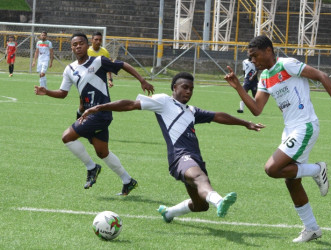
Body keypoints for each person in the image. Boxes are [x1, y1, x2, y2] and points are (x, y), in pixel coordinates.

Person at [79, 72, 265, 221]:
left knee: (200, 206)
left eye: (191, 89)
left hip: (194, 158)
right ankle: (219, 201)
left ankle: (168, 213)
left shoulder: (192, 111)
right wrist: (99, 107)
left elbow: (218, 116)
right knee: (200, 178)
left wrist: (245, 123)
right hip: (179, 157)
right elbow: (130, 104)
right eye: (185, 87)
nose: (189, 91)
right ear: (174, 87)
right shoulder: (163, 101)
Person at [224, 35, 331, 243]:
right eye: (250, 57)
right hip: (290, 130)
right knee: (291, 181)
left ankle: (317, 169)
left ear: (268, 50)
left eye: (254, 55)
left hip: (304, 127)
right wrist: (238, 88)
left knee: (271, 169)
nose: (253, 61)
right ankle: (312, 228)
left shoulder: (287, 65)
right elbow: (257, 109)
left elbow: (322, 75)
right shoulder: (265, 77)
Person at [34, 33, 155, 195]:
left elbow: (123, 65)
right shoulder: (70, 69)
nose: (78, 46)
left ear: (87, 45)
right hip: (87, 114)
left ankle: (92, 168)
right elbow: (63, 93)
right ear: (71, 47)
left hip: (101, 113)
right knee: (102, 152)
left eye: (81, 43)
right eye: (75, 44)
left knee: (67, 137)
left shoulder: (99, 61)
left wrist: (142, 80)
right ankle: (128, 181)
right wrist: (46, 91)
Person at [75, 32, 113, 119]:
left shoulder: (104, 52)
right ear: (92, 40)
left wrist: (110, 79)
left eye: (100, 40)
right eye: (96, 39)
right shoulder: (87, 51)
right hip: (87, 83)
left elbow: (108, 67)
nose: (98, 42)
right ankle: (78, 123)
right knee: (83, 106)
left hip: (100, 83)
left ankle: (95, 124)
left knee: (99, 106)